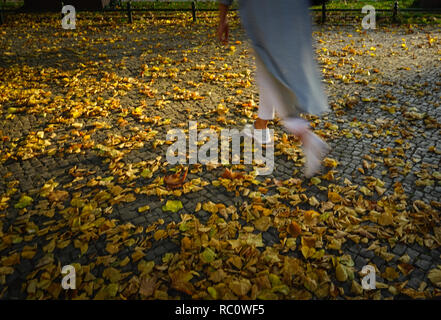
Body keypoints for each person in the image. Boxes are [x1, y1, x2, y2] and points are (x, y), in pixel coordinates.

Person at [217, 0, 330, 178]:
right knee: (268, 71)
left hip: (263, 14)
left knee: (269, 72)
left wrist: (222, 18)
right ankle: (261, 127)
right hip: (292, 12)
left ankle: (304, 134)